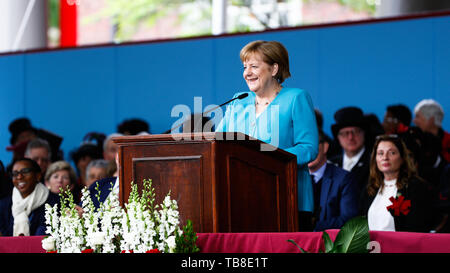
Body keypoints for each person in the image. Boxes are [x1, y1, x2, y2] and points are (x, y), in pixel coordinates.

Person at [215, 40, 319, 229]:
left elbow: (309, 148)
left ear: (274, 69)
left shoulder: (295, 98)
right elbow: (217, 144)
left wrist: (269, 158)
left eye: (254, 66)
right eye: (245, 67)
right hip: (242, 199)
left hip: (288, 197)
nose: (247, 73)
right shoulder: (238, 102)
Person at [362, 135, 433, 232]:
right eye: (380, 153)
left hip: (402, 245)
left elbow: (419, 227)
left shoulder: (415, 186)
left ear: (402, 158)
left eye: (392, 153)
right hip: (373, 246)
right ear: (375, 159)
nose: (385, 158)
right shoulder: (371, 188)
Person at [308, 130, 359, 231]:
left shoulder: (344, 179)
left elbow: (348, 220)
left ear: (325, 147)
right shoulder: (293, 179)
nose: (308, 152)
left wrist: (310, 228)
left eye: (312, 145)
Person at [0, 158, 59, 236]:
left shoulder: (55, 202)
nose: (19, 177)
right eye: (15, 174)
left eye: (25, 171)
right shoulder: (3, 205)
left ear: (38, 176)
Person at [329, 107, 371, 197]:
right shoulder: (330, 164)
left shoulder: (373, 163)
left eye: (355, 132)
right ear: (338, 138)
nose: (350, 137)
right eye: (345, 133)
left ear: (363, 133)